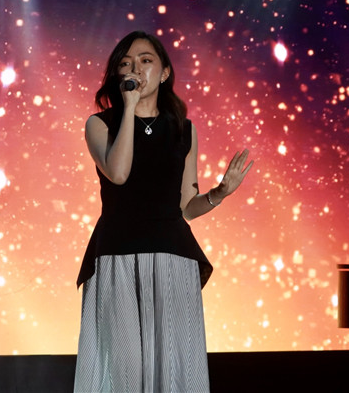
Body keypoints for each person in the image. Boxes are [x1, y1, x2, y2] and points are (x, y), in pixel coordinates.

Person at [74, 31, 253, 392]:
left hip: (173, 255)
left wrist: (219, 193)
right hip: (118, 255)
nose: (136, 68)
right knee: (124, 369)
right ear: (117, 75)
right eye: (126, 63)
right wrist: (128, 108)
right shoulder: (100, 124)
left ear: (165, 72)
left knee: (173, 368)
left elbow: (187, 206)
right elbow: (118, 173)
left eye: (146, 60)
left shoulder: (183, 130)